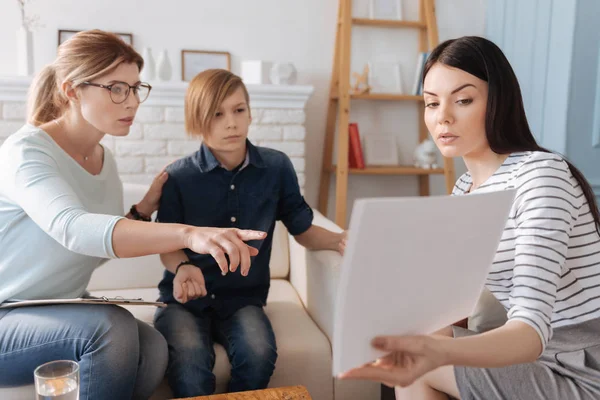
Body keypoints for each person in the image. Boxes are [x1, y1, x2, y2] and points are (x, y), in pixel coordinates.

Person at [0, 30, 265, 400]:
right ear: (72, 91)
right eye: (117, 89)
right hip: (6, 314)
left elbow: (100, 243)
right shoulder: (26, 153)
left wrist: (141, 211)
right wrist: (188, 234)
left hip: (58, 306)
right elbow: (72, 228)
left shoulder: (104, 161)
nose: (133, 102)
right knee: (109, 329)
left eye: (136, 88)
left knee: (153, 347)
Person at [339, 36, 600, 400]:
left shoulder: (542, 174)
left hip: (581, 365)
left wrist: (437, 352)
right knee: (410, 356)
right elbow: (446, 304)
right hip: (537, 355)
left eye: (462, 100)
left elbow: (530, 331)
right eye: (431, 103)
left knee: (422, 361)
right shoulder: (465, 189)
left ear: (499, 101)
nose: (442, 116)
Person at [153, 69, 346, 397]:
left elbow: (302, 229)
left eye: (238, 110)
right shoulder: (178, 176)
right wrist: (183, 267)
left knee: (259, 354)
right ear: (197, 119)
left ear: (250, 112)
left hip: (243, 299)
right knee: (190, 362)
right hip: (184, 303)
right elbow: (167, 245)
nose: (231, 123)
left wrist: (342, 239)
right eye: (217, 113)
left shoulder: (276, 167)